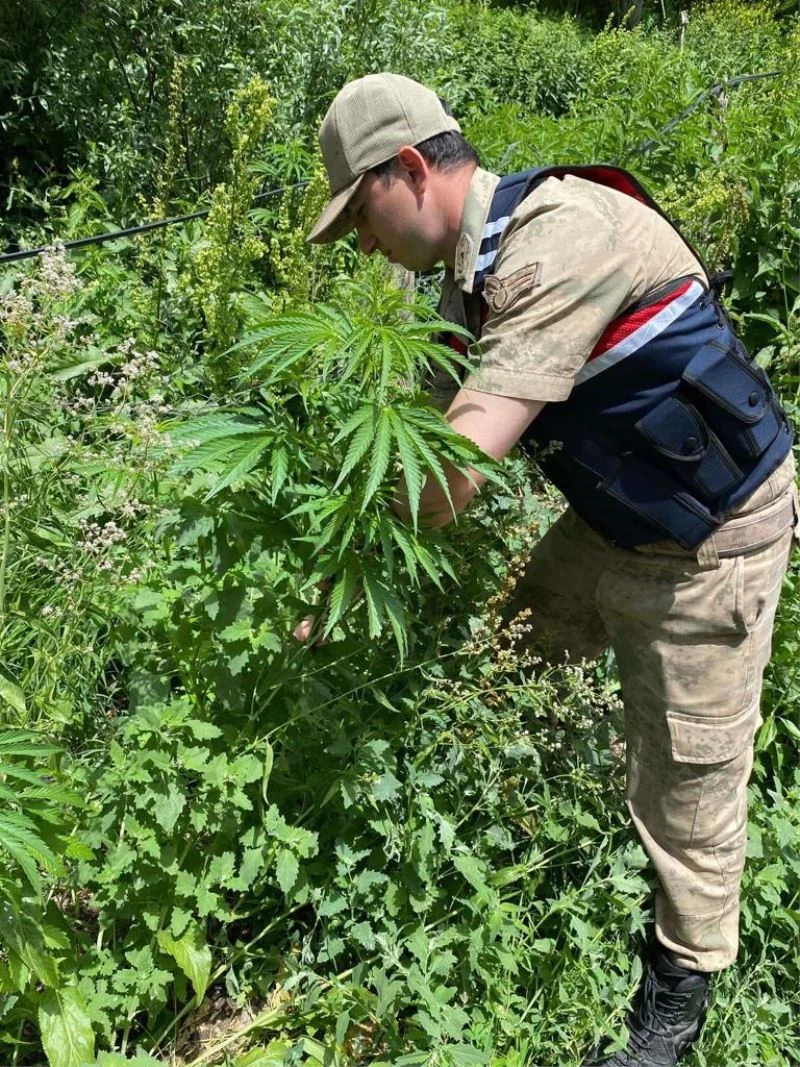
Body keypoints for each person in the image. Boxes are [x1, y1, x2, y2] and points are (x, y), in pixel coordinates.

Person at [298, 72, 799, 1066]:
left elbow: (444, 479)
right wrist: (338, 580)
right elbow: (417, 439)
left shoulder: (556, 242)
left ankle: (675, 1003)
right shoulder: (465, 283)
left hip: (711, 539)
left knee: (690, 781)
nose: (361, 245)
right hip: (618, 516)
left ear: (410, 169)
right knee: (517, 652)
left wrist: (354, 561)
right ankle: (520, 821)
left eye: (359, 213)